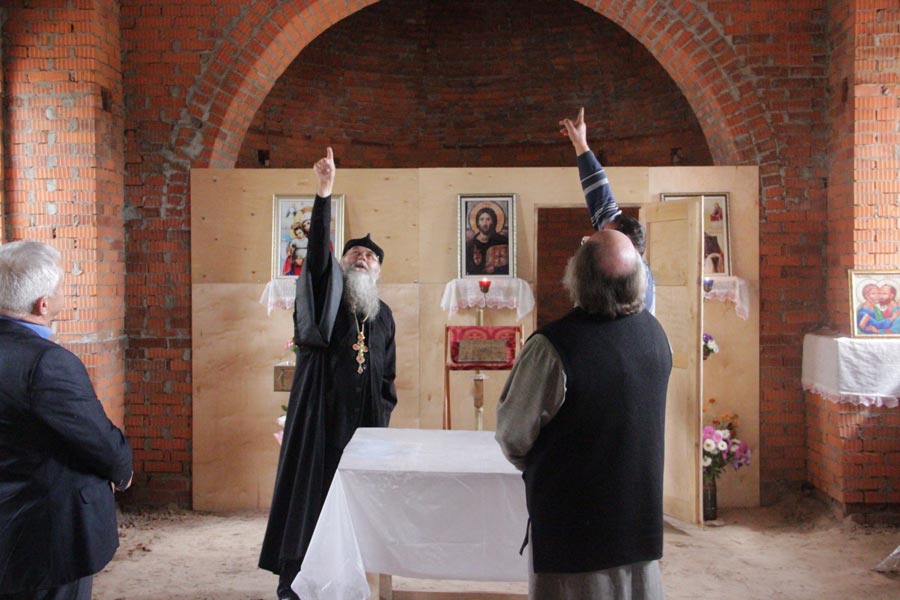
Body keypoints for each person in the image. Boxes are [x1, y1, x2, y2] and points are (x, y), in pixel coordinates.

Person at [496, 229, 672, 600]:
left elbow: (513, 435)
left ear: (578, 277)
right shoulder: (656, 335)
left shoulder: (552, 347)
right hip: (638, 524)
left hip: (573, 533)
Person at [259, 147, 398, 600]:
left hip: (363, 430)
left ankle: (345, 582)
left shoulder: (384, 315)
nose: (362, 258)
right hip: (320, 422)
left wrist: (380, 423)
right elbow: (318, 258)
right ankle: (293, 584)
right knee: (309, 502)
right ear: (342, 263)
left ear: (379, 271)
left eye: (371, 257)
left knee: (354, 511)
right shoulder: (329, 296)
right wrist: (324, 194)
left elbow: (388, 378)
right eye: (355, 252)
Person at [0, 240, 133, 600]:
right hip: (44, 537)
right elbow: (96, 439)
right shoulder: (47, 362)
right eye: (61, 288)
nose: (64, 294)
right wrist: (122, 471)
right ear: (43, 304)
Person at [559, 107, 655, 313]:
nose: (597, 236)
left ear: (625, 250)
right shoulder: (621, 261)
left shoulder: (635, 290)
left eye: (606, 235)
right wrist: (580, 143)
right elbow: (600, 196)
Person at [466, 205, 510, 275]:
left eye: (488, 219)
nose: (485, 223)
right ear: (477, 222)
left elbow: (509, 266)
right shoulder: (470, 245)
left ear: (493, 222)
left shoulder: (502, 241)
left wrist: (496, 269)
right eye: (481, 219)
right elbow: (468, 268)